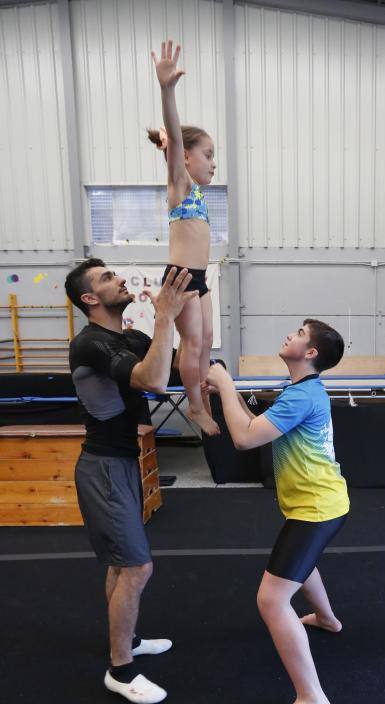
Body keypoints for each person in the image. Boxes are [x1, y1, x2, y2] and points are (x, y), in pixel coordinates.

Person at [205, 320, 349, 704]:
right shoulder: (299, 392)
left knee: (271, 600)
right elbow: (258, 426)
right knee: (302, 564)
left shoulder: (302, 395)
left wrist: (226, 385)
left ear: (312, 353)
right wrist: (228, 394)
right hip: (322, 504)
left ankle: (312, 699)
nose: (291, 333)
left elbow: (245, 439)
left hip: (316, 510)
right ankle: (326, 619)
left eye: (301, 333)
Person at [66, 258, 197, 704]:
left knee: (122, 565)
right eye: (106, 278)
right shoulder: (91, 343)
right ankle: (120, 671)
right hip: (103, 467)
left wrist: (193, 297)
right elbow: (154, 380)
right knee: (138, 567)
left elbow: (183, 365)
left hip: (122, 464)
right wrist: (164, 315)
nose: (119, 278)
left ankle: (128, 640)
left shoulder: (131, 338)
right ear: (89, 298)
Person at [148, 39, 219, 436]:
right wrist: (167, 89)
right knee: (192, 344)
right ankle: (194, 405)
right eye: (208, 154)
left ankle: (201, 395)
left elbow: (173, 141)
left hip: (199, 278)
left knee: (207, 339)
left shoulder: (197, 194)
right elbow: (174, 137)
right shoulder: (180, 184)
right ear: (185, 157)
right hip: (181, 276)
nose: (213, 162)